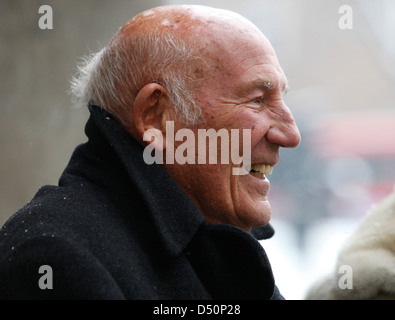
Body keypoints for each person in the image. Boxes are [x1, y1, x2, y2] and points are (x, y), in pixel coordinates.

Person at [0, 5, 300, 299]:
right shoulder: (56, 258)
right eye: (257, 100)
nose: (290, 135)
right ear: (156, 118)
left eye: (281, 98)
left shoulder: (211, 243)